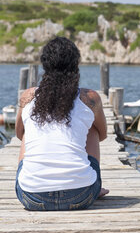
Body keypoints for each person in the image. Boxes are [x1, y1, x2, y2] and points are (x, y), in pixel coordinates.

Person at [15, 37, 109, 211]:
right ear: (76, 65)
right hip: (81, 195)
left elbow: (19, 134)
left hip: (32, 197)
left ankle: (38, 179)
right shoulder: (90, 98)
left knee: (28, 131)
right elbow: (102, 134)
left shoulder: (28, 96)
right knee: (93, 129)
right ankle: (92, 185)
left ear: (45, 65)